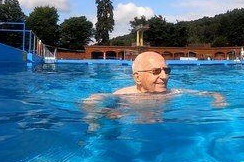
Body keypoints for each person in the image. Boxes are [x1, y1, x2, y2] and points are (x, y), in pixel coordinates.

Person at [82, 51, 226, 132]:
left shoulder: (172, 93)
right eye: (156, 71)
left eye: (166, 70)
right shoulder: (125, 95)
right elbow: (91, 101)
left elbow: (209, 93)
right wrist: (94, 115)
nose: (164, 76)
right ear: (137, 78)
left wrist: (218, 98)